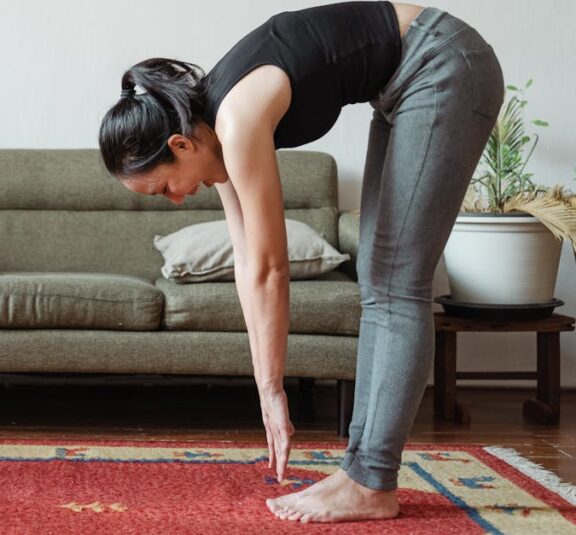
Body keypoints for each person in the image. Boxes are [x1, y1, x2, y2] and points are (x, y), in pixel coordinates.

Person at [98, 2, 503, 523]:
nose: (176, 200)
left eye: (164, 189)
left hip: (443, 63)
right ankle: (364, 475)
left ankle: (371, 483)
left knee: (396, 283)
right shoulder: (211, 133)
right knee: (381, 281)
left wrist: (275, 393)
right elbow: (247, 259)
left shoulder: (236, 120)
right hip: (407, 81)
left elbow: (272, 269)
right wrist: (264, 385)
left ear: (180, 144)